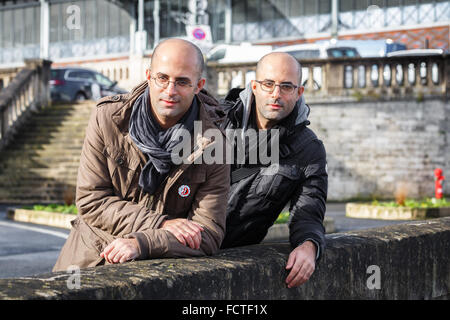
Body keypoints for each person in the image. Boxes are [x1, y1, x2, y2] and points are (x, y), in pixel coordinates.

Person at [53, 39, 230, 272]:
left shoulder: (213, 142)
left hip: (156, 274)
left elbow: (208, 233)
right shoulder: (109, 118)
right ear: (148, 75)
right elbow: (91, 200)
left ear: (199, 85)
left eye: (183, 82)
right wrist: (162, 224)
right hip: (88, 261)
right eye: (162, 78)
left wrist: (144, 243)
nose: (170, 90)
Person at [217, 52, 328, 288]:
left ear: (299, 93)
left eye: (286, 86)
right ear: (255, 86)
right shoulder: (215, 120)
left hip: (234, 263)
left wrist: (309, 245)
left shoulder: (308, 150)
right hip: (179, 246)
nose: (276, 94)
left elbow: (309, 211)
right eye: (268, 84)